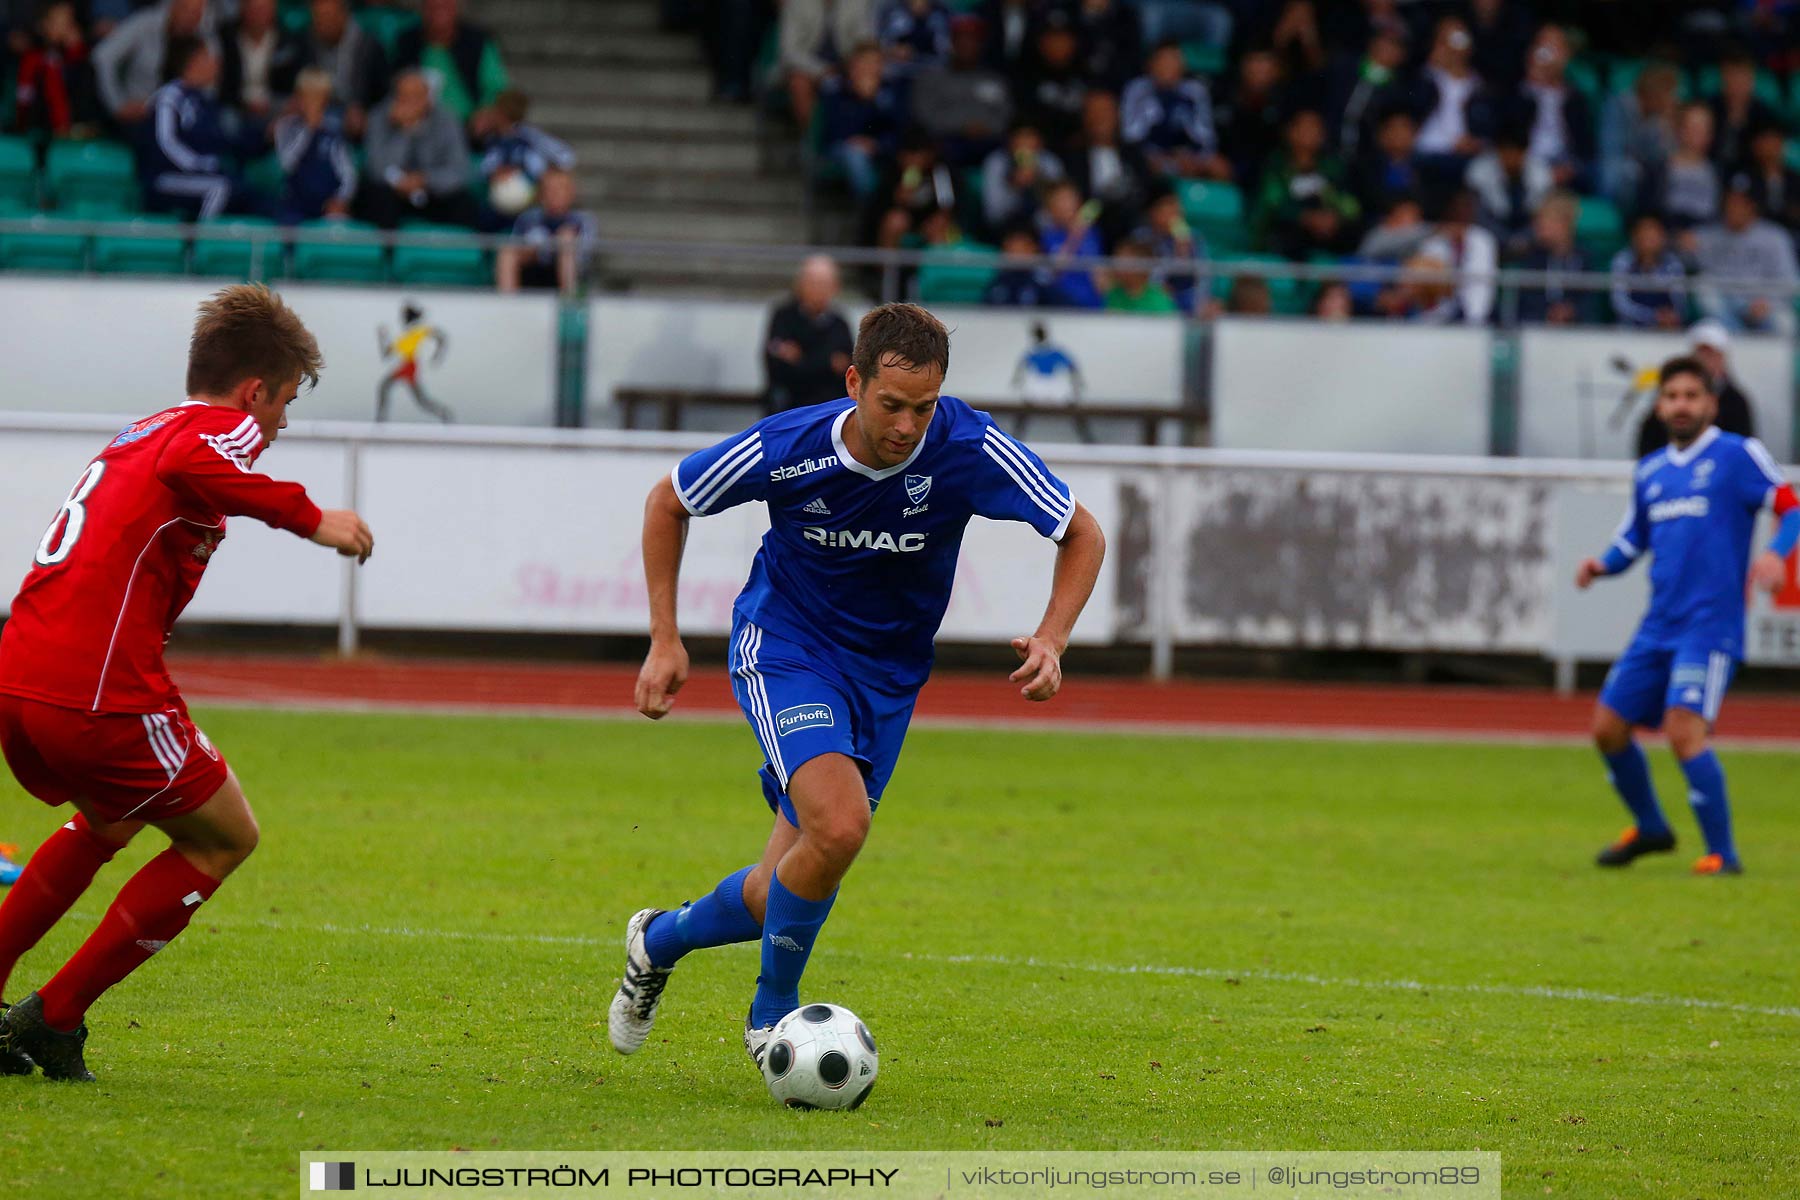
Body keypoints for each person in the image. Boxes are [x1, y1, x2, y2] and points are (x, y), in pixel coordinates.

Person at [606, 304, 1105, 1072]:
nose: (908, 425)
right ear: (854, 383)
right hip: (788, 647)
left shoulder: (967, 446)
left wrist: (1053, 637)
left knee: (786, 884)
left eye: (925, 407)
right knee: (838, 829)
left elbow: (1081, 530)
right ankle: (773, 1019)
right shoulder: (790, 446)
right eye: (892, 405)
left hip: (887, 679)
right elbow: (669, 500)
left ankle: (657, 940)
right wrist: (665, 638)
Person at [0, 286, 374, 1082]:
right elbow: (192, 465)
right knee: (226, 836)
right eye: (285, 404)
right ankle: (52, 1018)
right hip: (96, 689)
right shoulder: (211, 430)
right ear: (254, 391)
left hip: (22, 674)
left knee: (109, 821)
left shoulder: (145, 427)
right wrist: (311, 519)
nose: (277, 427)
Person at [1578, 356, 1797, 877]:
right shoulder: (1650, 471)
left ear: (1710, 404)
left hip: (1710, 625)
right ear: (1659, 406)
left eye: (1691, 396)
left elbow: (1790, 506)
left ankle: (1723, 853)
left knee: (1683, 731)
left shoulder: (1737, 455)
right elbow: (1633, 538)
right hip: (1659, 625)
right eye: (1672, 396)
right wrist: (1600, 565)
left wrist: (1776, 553)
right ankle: (1651, 827)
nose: (1680, 405)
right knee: (1607, 728)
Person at [137, 37, 271, 221]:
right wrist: (201, 165)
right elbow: (165, 143)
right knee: (220, 189)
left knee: (254, 197)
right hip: (165, 177)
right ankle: (197, 245)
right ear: (194, 62)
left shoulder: (206, 101)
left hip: (204, 174)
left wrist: (266, 137)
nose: (215, 63)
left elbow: (230, 141)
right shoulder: (169, 98)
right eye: (208, 57)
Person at [357, 69, 477, 229]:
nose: (410, 103)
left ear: (428, 97)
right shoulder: (378, 117)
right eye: (404, 97)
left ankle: (455, 252)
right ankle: (386, 253)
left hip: (432, 191)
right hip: (391, 192)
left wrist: (425, 180)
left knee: (464, 203)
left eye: (417, 96)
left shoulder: (447, 120)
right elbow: (375, 168)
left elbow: (459, 171)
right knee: (377, 197)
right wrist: (403, 131)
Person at [391, 0, 509, 139]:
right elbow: (394, 85)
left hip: (468, 128)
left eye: (445, 6)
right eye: (433, 7)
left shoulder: (477, 42)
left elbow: (496, 87)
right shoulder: (407, 43)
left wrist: (484, 112)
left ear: (456, 7)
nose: (439, 12)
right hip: (417, 127)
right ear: (423, 9)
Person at [1694, 181, 1799, 336]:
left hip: (1764, 303)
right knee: (1702, 286)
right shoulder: (1710, 235)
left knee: (1787, 322)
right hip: (1727, 305)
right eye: (1729, 204)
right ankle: (1736, 338)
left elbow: (1790, 280)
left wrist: (1769, 302)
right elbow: (1698, 267)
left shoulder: (1775, 236)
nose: (1732, 209)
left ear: (1752, 207)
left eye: (1739, 204)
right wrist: (1686, 247)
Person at [1637, 321, 1757, 455]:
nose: (1681, 405)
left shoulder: (1736, 401)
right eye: (1700, 352)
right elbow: (1649, 441)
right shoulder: (1666, 394)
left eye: (1691, 396)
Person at [90, 0, 213, 128]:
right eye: (186, 9)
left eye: (198, 12)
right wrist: (117, 104)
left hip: (183, 117)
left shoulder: (203, 35)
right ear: (173, 6)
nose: (192, 17)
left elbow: (210, 81)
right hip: (139, 116)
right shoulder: (145, 25)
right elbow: (102, 57)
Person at [1120, 40, 1230, 182]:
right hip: (1149, 157)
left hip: (1185, 158)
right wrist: (1153, 156)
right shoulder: (1137, 89)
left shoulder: (1195, 92)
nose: (1167, 66)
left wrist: (1192, 157)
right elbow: (1130, 135)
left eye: (1173, 60)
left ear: (1182, 66)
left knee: (1220, 167)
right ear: (1150, 65)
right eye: (1162, 60)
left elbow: (1206, 138)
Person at [763, 255, 856, 413]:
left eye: (824, 284)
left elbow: (846, 368)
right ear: (800, 285)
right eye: (813, 283)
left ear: (835, 287)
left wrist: (802, 359)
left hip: (828, 410)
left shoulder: (840, 323)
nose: (818, 290)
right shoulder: (783, 317)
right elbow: (778, 368)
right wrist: (828, 363)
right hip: (789, 408)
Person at [293, 0, 390, 140]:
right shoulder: (305, 43)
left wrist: (364, 113)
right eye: (318, 19)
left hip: (356, 118)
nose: (323, 25)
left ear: (343, 15)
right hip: (316, 115)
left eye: (328, 17)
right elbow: (298, 86)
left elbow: (383, 97)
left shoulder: (369, 47)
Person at [272, 68, 357, 223]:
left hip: (327, 203)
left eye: (316, 97)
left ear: (325, 100)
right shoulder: (286, 126)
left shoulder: (334, 129)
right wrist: (307, 130)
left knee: (337, 226)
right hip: (295, 203)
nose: (311, 103)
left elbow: (347, 173)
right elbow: (287, 164)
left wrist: (341, 199)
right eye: (306, 96)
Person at [495, 168, 598, 293]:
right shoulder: (528, 218)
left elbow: (585, 256)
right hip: (533, 270)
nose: (555, 194)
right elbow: (518, 246)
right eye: (550, 190)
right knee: (508, 252)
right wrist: (537, 250)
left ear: (570, 193)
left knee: (566, 240)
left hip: (569, 271)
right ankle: (507, 305)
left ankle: (568, 302)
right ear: (542, 194)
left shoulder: (583, 220)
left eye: (560, 189)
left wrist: (554, 245)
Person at [10, 1, 102, 139]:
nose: (66, 27)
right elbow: (24, 101)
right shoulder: (33, 59)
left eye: (69, 22)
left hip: (77, 129)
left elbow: (88, 94)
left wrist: (76, 50)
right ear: (43, 26)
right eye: (59, 22)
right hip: (41, 132)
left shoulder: (80, 57)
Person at [218, 0, 303, 119]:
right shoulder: (226, 37)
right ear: (243, 9)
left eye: (264, 8)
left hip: (275, 105)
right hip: (236, 105)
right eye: (254, 8)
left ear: (273, 10)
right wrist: (243, 103)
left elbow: (295, 80)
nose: (259, 14)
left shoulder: (288, 41)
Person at [1609, 213, 1688, 331]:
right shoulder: (1623, 261)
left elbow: (1679, 300)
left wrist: (1669, 316)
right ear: (1634, 236)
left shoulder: (1672, 263)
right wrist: (1652, 317)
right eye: (1644, 232)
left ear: (1663, 237)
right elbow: (1620, 303)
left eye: (1653, 233)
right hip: (1630, 328)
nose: (1649, 238)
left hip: (1664, 327)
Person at [376, 302, 452, 422]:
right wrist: (382, 337)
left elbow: (442, 337)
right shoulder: (405, 337)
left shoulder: (418, 332)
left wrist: (437, 355)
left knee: (385, 386)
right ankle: (443, 413)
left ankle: (381, 419)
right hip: (407, 366)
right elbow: (386, 353)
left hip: (409, 366)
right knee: (420, 400)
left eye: (404, 316)